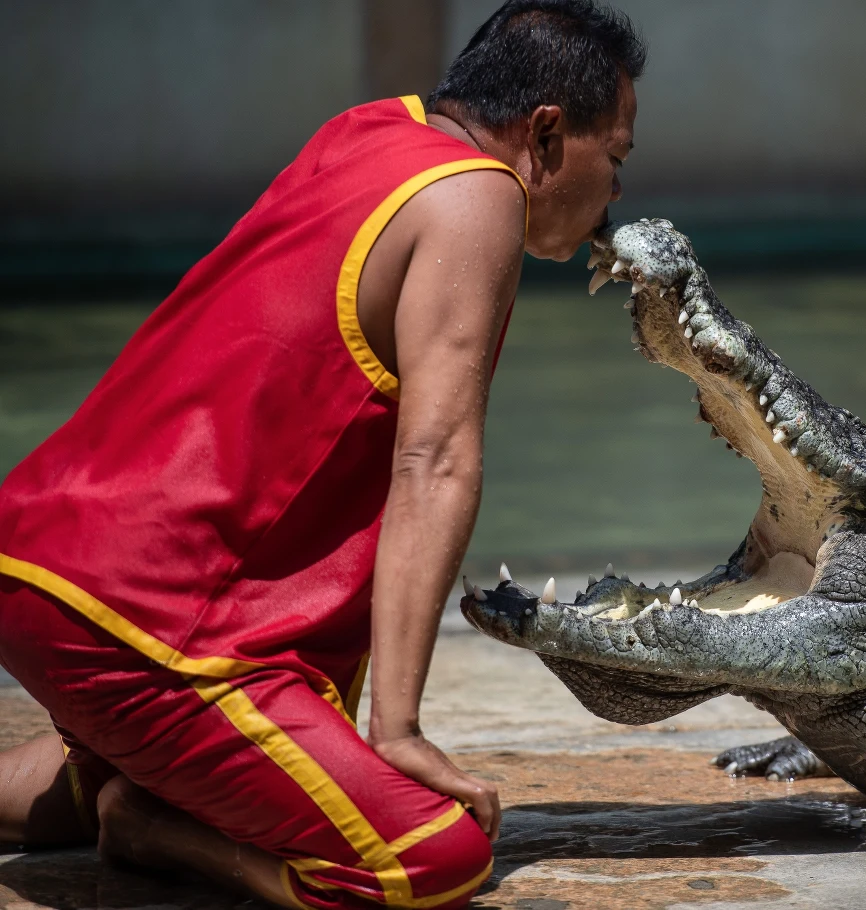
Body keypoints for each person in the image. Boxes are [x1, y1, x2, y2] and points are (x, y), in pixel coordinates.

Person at [0, 1, 643, 907]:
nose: (616, 191)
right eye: (614, 157)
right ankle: (149, 828)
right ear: (543, 134)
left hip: (41, 572)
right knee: (431, 859)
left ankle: (125, 791)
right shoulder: (482, 194)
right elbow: (437, 460)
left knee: (134, 767)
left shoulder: (368, 128)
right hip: (163, 625)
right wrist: (401, 729)